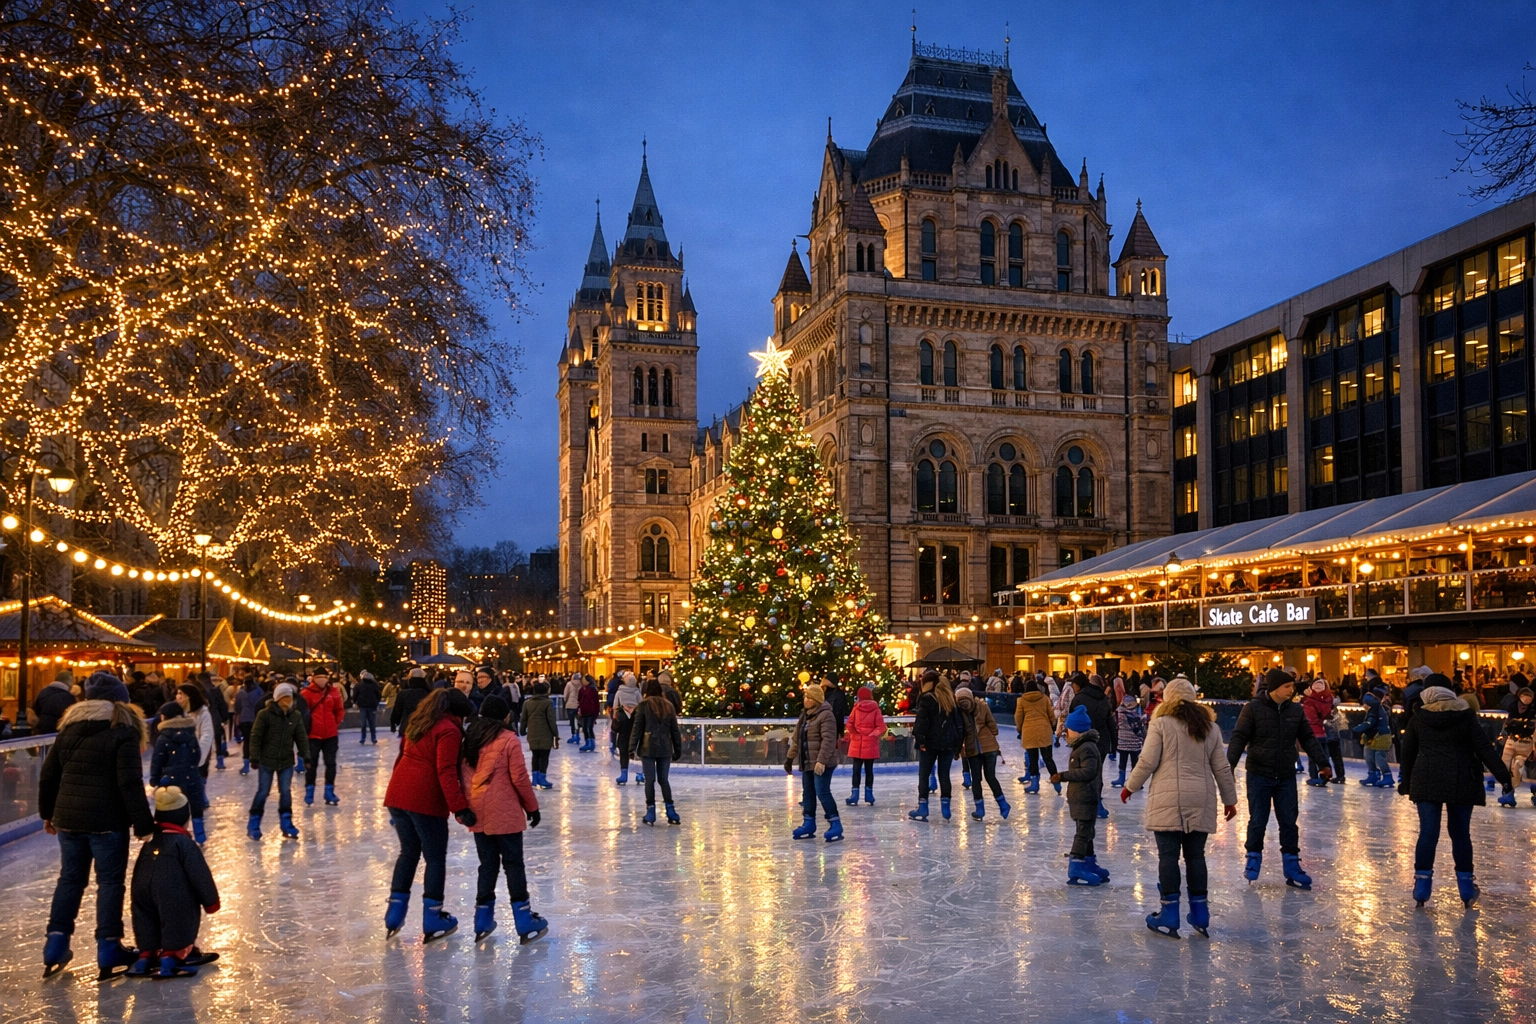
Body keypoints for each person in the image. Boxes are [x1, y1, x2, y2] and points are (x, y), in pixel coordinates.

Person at [38, 671, 155, 979]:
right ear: (120, 701)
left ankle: (55, 945)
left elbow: (48, 775)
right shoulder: (123, 730)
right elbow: (130, 783)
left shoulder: (70, 727)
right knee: (110, 883)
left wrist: (47, 813)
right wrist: (144, 825)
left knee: (70, 880)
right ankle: (109, 947)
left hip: (68, 820)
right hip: (107, 821)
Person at [1121, 676, 1238, 938]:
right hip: (1201, 798)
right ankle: (1200, 913)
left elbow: (1147, 761)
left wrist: (1130, 786)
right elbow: (1221, 767)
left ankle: (1169, 914)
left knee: (1168, 856)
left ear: (1167, 698)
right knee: (1196, 856)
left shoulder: (1161, 723)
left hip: (1168, 799)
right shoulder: (1210, 727)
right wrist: (1229, 799)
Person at [1398, 682, 1511, 908]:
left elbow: (1407, 752)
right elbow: (1484, 748)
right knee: (1460, 834)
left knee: (1428, 832)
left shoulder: (1418, 718)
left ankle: (1421, 887)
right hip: (1462, 779)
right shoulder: (1466, 717)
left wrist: (1406, 782)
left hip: (1427, 779)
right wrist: (1503, 776)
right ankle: (1466, 888)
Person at [382, 688, 476, 941]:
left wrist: (397, 795)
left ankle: (394, 914)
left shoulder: (419, 721)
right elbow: (446, 770)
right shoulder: (448, 730)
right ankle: (433, 918)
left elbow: (401, 756)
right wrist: (460, 807)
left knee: (408, 853)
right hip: (424, 799)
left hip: (398, 794)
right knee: (434, 858)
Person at [1226, 668, 1330, 889]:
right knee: (1258, 820)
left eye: (1292, 686)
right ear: (1274, 688)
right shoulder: (1253, 709)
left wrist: (1323, 763)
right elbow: (1239, 737)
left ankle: (1292, 864)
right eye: (1287, 686)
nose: (1292, 690)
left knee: (1289, 822)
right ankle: (1253, 858)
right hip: (1259, 773)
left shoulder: (1295, 710)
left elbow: (1308, 738)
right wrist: (1229, 766)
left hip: (1285, 775)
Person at [459, 695, 549, 944]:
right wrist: (532, 808)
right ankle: (524, 920)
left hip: (478, 810)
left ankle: (482, 920)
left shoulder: (470, 738)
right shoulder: (509, 739)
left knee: (487, 865)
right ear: (505, 716)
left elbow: (464, 776)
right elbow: (519, 777)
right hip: (505, 811)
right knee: (513, 864)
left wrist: (467, 806)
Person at [126, 786, 221, 978]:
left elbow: (139, 871)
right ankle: (171, 956)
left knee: (146, 918)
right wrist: (211, 902)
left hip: (142, 891)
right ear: (183, 818)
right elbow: (199, 875)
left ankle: (146, 955)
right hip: (171, 891)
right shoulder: (183, 843)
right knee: (178, 915)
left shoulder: (149, 843)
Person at [246, 682, 310, 841]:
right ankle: (254, 823)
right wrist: (254, 757)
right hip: (266, 760)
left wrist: (306, 756)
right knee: (263, 791)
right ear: (277, 699)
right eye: (284, 698)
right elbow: (255, 737)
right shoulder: (264, 715)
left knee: (286, 791)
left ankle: (286, 822)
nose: (288, 701)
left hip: (286, 761)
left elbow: (301, 738)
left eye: (289, 698)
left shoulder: (295, 716)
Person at [1054, 706, 1107, 887]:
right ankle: (1081, 864)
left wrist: (1063, 776)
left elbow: (1088, 771)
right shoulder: (1084, 746)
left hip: (1085, 795)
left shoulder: (1086, 748)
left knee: (1086, 832)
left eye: (1068, 729)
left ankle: (1083, 863)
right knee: (1085, 831)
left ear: (1077, 730)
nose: (1066, 733)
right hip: (1083, 796)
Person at [788, 683, 843, 842]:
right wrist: (790, 758)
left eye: (808, 697)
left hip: (822, 762)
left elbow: (829, 740)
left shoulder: (826, 715)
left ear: (815, 699)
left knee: (822, 792)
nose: (805, 699)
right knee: (808, 793)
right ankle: (809, 823)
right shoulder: (804, 716)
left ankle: (835, 824)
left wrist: (821, 761)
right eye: (805, 696)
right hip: (807, 761)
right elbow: (797, 739)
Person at [150, 703, 208, 845]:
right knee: (196, 806)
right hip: (192, 776)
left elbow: (157, 760)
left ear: (165, 717)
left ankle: (176, 836)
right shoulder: (191, 734)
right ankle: (200, 834)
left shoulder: (163, 738)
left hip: (171, 780)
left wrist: (155, 779)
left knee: (175, 809)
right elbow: (197, 755)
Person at [908, 670, 962, 822]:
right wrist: (957, 745)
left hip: (929, 743)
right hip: (948, 743)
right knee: (944, 775)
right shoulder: (949, 698)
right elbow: (957, 724)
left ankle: (923, 807)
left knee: (924, 774)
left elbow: (921, 721)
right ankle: (946, 808)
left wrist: (920, 740)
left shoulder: (926, 698)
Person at [629, 679, 682, 825]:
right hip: (665, 747)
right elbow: (674, 730)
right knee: (663, 780)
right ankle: (671, 811)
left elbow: (637, 728)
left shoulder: (643, 705)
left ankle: (651, 812)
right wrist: (677, 749)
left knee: (650, 780)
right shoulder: (668, 706)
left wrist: (631, 747)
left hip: (648, 748)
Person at [956, 685, 1008, 820]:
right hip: (986, 748)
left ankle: (981, 808)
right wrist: (991, 736)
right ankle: (1002, 804)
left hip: (975, 748)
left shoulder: (960, 712)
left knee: (978, 779)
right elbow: (993, 725)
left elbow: (960, 733)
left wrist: (958, 750)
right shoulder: (982, 706)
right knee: (988, 777)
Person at [1069, 673, 1116, 818]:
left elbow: (1072, 721)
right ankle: (1095, 801)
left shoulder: (1078, 699)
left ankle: (1089, 802)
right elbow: (1110, 723)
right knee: (1096, 771)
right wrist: (1114, 745)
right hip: (1102, 741)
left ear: (1077, 685)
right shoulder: (1103, 698)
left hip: (1084, 742)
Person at [301, 668, 346, 806]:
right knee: (311, 764)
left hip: (330, 735)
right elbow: (301, 713)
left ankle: (329, 791)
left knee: (331, 763)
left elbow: (339, 709)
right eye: (319, 676)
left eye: (324, 676)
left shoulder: (333, 692)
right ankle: (309, 791)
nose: (322, 679)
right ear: (313, 678)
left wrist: (335, 723)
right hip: (312, 735)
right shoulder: (306, 693)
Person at [843, 685, 887, 806]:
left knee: (856, 770)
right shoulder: (876, 709)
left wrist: (855, 734)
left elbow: (849, 724)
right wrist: (872, 735)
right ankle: (869, 794)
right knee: (869, 770)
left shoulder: (856, 708)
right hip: (870, 744)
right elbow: (881, 727)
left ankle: (854, 794)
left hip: (857, 743)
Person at [1015, 678, 1060, 793]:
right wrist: (1052, 724)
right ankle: (1057, 782)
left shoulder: (1021, 701)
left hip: (1029, 732)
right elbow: (1051, 715)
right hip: (1044, 731)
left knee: (1033, 759)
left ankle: (1035, 784)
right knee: (1048, 759)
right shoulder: (1044, 698)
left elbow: (1018, 717)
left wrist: (1020, 728)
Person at [1301, 678, 1346, 786]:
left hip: (1315, 732)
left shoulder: (1309, 701)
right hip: (1328, 732)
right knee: (1329, 756)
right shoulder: (1330, 699)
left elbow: (1311, 718)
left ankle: (1315, 777)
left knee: (1314, 756)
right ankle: (1331, 776)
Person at [1496, 686, 1535, 808]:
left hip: (1527, 744)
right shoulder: (1511, 709)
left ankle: (1534, 791)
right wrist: (1503, 736)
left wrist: (1534, 748)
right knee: (1505, 767)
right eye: (1522, 704)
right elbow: (1505, 726)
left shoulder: (1533, 713)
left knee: (1523, 768)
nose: (1523, 707)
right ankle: (1508, 792)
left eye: (1526, 705)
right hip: (1511, 742)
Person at [1352, 685, 1395, 787]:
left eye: (1365, 704)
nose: (1363, 706)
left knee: (1379, 757)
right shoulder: (1374, 709)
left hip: (1381, 736)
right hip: (1372, 736)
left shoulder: (1377, 709)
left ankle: (1387, 776)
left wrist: (1357, 729)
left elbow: (1370, 723)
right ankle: (1373, 775)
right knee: (1369, 755)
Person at [520, 681, 559, 790]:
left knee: (535, 755)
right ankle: (542, 778)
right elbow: (551, 720)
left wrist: (522, 730)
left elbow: (523, 719)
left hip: (532, 733)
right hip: (545, 734)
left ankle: (535, 778)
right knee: (544, 756)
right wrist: (555, 733)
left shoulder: (527, 703)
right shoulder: (548, 703)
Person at [612, 672, 642, 786]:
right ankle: (639, 774)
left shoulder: (620, 691)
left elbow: (615, 706)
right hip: (635, 720)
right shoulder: (637, 692)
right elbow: (641, 704)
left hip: (623, 721)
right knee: (636, 749)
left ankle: (624, 774)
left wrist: (616, 716)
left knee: (623, 750)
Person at [1112, 693, 1147, 788]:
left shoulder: (1119, 713)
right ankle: (1136, 781)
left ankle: (1121, 779)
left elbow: (1115, 724)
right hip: (1135, 743)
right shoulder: (1138, 714)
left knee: (1122, 762)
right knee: (1135, 763)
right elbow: (1142, 727)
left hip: (1123, 742)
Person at [197, 672, 230, 770]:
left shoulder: (199, 691)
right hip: (215, 718)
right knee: (218, 739)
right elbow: (222, 705)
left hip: (202, 719)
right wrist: (224, 718)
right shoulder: (215, 689)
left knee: (204, 740)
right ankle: (220, 760)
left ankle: (203, 762)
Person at [232, 671, 263, 774]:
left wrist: (237, 717)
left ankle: (246, 764)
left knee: (247, 742)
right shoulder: (258, 692)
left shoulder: (241, 692)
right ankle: (256, 761)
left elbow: (237, 707)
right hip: (256, 719)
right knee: (256, 741)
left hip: (244, 719)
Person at [30, 670, 77, 735]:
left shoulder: (43, 692)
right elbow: (71, 717)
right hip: (58, 731)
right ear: (69, 681)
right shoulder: (68, 697)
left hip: (42, 729)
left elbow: (36, 710)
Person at [391, 668, 431, 733]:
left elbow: (397, 710)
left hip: (407, 727)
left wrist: (394, 722)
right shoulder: (429, 694)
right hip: (425, 727)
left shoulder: (403, 694)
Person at [354, 670, 382, 745]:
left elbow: (355, 695)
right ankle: (373, 738)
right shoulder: (375, 685)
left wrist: (355, 702)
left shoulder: (359, 685)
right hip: (372, 706)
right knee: (372, 723)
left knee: (363, 723)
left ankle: (363, 738)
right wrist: (376, 702)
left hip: (362, 706)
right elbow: (378, 695)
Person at [576, 675, 600, 752]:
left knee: (589, 727)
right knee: (584, 728)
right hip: (584, 712)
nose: (582, 681)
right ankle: (587, 742)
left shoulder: (592, 689)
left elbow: (595, 702)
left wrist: (595, 712)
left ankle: (591, 743)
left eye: (584, 679)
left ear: (588, 681)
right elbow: (579, 700)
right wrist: (579, 709)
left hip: (591, 712)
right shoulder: (581, 690)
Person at [562, 674, 581, 741]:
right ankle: (577, 734)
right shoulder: (581, 684)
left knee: (572, 722)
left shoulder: (569, 684)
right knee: (578, 721)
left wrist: (566, 701)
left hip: (570, 705)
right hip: (578, 705)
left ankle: (573, 735)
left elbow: (565, 695)